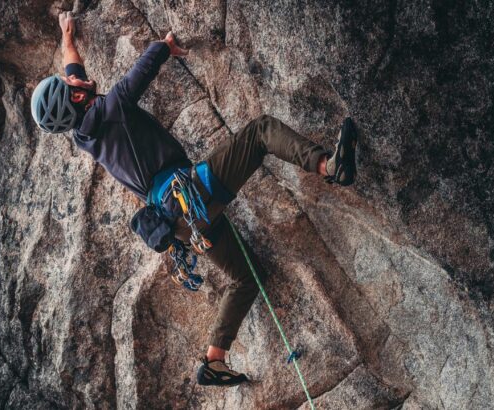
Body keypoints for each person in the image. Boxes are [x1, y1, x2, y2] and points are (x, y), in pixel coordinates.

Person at [31, 11, 358, 387]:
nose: (74, 76)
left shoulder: (85, 136)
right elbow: (139, 75)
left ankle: (213, 360)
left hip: (182, 226)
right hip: (192, 195)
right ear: (75, 94)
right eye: (70, 82)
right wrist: (165, 46)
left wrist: (68, 38)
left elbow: (74, 75)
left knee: (246, 278)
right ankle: (329, 167)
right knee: (260, 132)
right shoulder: (112, 107)